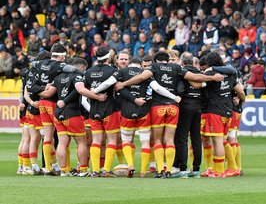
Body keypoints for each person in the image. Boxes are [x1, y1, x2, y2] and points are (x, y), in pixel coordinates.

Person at [115, 51, 224, 178]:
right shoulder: (177, 68)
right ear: (168, 60)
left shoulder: (154, 67)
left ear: (156, 60)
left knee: (157, 140)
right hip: (173, 107)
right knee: (170, 139)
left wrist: (123, 84)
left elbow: (141, 77)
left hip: (158, 107)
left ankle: (161, 169)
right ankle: (169, 171)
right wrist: (212, 78)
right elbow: (196, 78)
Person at [92, 57, 181, 178]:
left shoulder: (122, 72)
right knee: (145, 142)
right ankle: (144, 171)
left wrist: (95, 91)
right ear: (141, 65)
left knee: (126, 141)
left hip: (127, 112)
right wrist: (173, 97)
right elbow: (158, 88)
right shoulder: (145, 74)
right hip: (143, 112)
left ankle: (130, 165)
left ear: (129, 64)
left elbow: (108, 83)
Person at [29, 43, 81, 175]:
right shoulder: (60, 66)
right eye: (64, 56)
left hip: (42, 104)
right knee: (64, 138)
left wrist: (41, 89)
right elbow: (75, 70)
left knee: (47, 136)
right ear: (62, 56)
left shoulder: (39, 63)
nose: (65, 59)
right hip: (53, 103)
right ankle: (67, 168)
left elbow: (32, 64)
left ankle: (48, 167)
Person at [40, 58, 90, 177]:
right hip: (72, 112)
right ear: (81, 67)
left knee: (62, 142)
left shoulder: (58, 77)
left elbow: (48, 92)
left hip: (58, 113)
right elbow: (79, 91)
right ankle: (83, 170)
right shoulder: (77, 76)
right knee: (81, 142)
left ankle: (64, 170)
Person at [75, 47, 120, 177]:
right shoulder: (112, 71)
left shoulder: (88, 72)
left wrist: (94, 95)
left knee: (96, 140)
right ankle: (106, 170)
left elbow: (83, 90)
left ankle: (95, 170)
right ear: (109, 57)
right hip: (110, 109)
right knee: (112, 140)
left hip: (94, 111)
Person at [200, 51, 245, 178]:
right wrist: (241, 99)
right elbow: (240, 90)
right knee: (223, 140)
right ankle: (225, 168)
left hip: (215, 111)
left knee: (217, 141)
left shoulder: (211, 73)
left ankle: (219, 170)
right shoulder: (230, 73)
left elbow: (199, 83)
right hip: (227, 111)